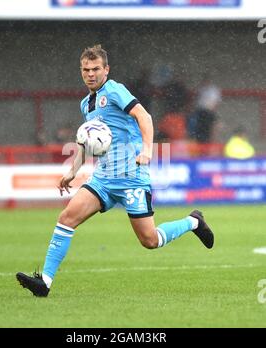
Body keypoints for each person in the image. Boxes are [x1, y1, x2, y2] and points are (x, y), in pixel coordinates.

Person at [16, 45, 214, 297]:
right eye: (86, 69)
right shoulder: (85, 104)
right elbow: (87, 142)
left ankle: (193, 222)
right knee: (67, 218)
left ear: (106, 70)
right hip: (103, 179)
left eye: (96, 69)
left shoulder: (115, 91)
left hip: (131, 177)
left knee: (149, 241)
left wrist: (147, 150)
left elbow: (145, 117)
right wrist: (72, 171)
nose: (90, 74)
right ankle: (44, 282)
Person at [187, 74, 221, 143]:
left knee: (208, 127)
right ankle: (199, 140)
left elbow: (216, 102)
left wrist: (212, 110)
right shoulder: (201, 89)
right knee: (199, 127)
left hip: (208, 111)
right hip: (200, 111)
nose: (205, 83)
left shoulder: (213, 90)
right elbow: (196, 100)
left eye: (206, 81)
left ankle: (207, 140)